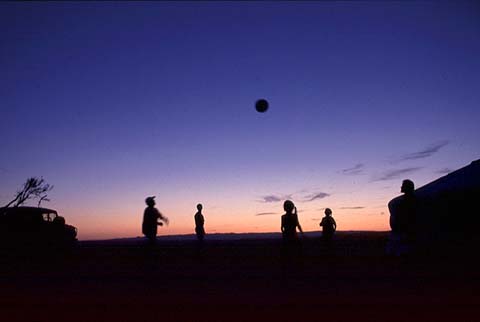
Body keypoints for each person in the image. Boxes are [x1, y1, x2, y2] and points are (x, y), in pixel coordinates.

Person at [387, 179, 417, 256]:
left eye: (403, 185)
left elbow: (406, 216)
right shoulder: (406, 200)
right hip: (401, 231)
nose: (401, 187)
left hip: (403, 232)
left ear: (407, 187)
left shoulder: (409, 201)